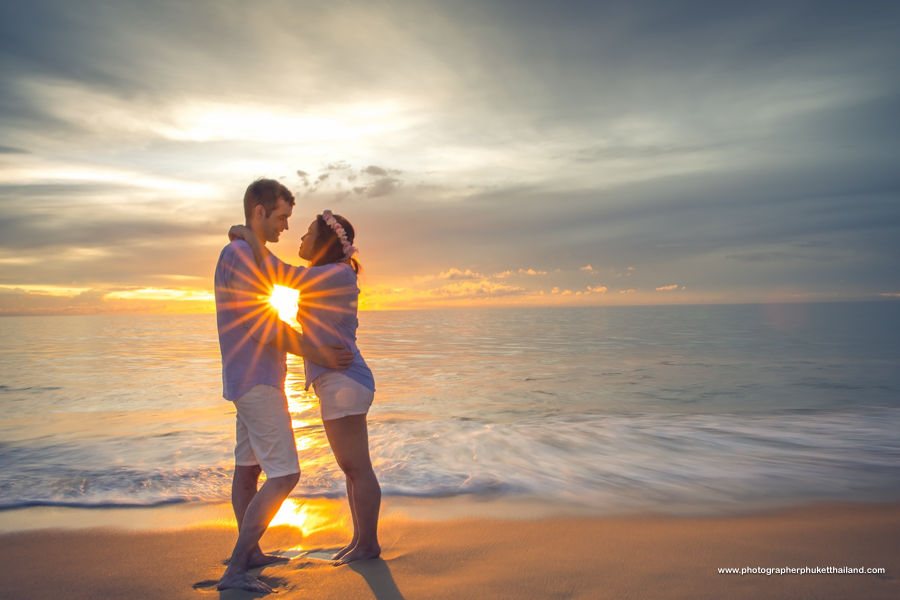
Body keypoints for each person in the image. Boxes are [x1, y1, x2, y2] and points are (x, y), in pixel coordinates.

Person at [214, 179, 354, 594]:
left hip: (251, 376)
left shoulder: (241, 252)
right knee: (285, 474)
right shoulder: (240, 254)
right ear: (259, 212)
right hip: (256, 379)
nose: (285, 228)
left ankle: (251, 553)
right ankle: (236, 569)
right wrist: (320, 353)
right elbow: (263, 325)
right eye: (281, 217)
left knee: (249, 469)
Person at [231, 209, 381, 566]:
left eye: (308, 233)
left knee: (358, 467)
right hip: (337, 381)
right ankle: (360, 540)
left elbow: (282, 275)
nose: (300, 238)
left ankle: (368, 544)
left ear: (324, 242)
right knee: (352, 468)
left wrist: (248, 235)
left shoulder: (337, 275)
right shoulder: (327, 275)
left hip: (345, 380)